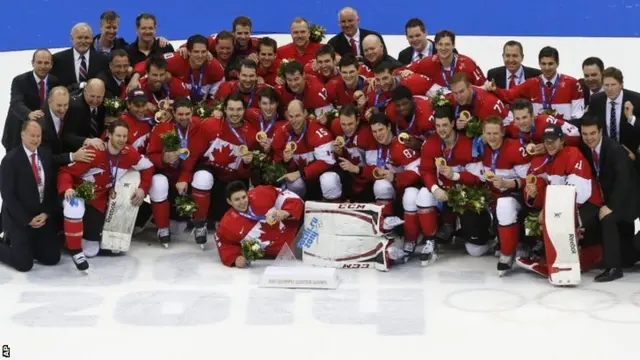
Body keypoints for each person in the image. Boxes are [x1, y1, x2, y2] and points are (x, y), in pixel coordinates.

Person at [57, 119, 154, 271]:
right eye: (118, 136)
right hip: (80, 194)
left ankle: (75, 236)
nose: (122, 140)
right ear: (109, 135)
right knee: (73, 206)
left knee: (91, 250)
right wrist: (67, 189)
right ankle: (73, 248)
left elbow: (148, 166)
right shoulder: (93, 152)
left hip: (100, 202)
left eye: (124, 136)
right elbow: (66, 172)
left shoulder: (128, 153)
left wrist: (143, 188)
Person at [579, 115, 640, 281]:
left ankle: (614, 268)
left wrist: (610, 206)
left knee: (608, 218)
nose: (589, 138)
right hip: (609, 196)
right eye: (585, 134)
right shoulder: (585, 147)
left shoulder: (614, 149)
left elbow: (624, 180)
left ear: (600, 132)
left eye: (592, 133)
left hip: (628, 199)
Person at [0, 120, 61, 272]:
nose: (35, 139)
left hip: (41, 217)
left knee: (52, 258)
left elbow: (50, 190)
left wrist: (46, 213)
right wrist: (27, 219)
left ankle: (26, 245)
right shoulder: (10, 160)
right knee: (24, 264)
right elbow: (8, 197)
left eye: (38, 136)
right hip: (19, 219)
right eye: (31, 135)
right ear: (22, 135)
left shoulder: (46, 155)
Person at [215, 181, 304, 267]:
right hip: (283, 257)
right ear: (229, 201)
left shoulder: (261, 193)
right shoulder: (227, 225)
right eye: (237, 199)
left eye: (244, 197)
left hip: (302, 234)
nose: (242, 202)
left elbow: (287, 195)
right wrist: (235, 258)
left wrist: (286, 211)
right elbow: (224, 243)